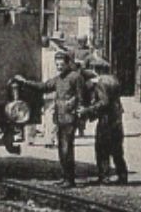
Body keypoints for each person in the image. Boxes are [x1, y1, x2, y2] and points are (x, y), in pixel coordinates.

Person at [13, 47, 90, 187]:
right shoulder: (58, 79)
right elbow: (43, 86)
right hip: (60, 117)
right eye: (58, 64)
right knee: (62, 149)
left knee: (67, 149)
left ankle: (70, 179)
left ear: (68, 63)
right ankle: (65, 177)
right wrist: (24, 82)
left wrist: (78, 113)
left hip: (70, 118)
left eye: (62, 64)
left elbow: (81, 98)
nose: (59, 67)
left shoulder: (75, 77)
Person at [82, 56, 128, 184]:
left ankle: (104, 176)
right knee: (117, 150)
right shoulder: (114, 80)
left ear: (97, 69)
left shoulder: (101, 83)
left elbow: (104, 102)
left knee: (102, 149)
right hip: (117, 119)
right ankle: (122, 175)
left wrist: (89, 110)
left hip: (106, 120)